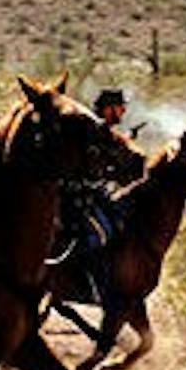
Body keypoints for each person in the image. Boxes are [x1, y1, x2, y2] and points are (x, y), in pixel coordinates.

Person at [63, 89, 132, 300]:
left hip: (93, 194)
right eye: (119, 107)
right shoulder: (92, 131)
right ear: (108, 109)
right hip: (76, 197)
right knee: (97, 236)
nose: (122, 111)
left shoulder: (103, 132)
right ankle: (85, 282)